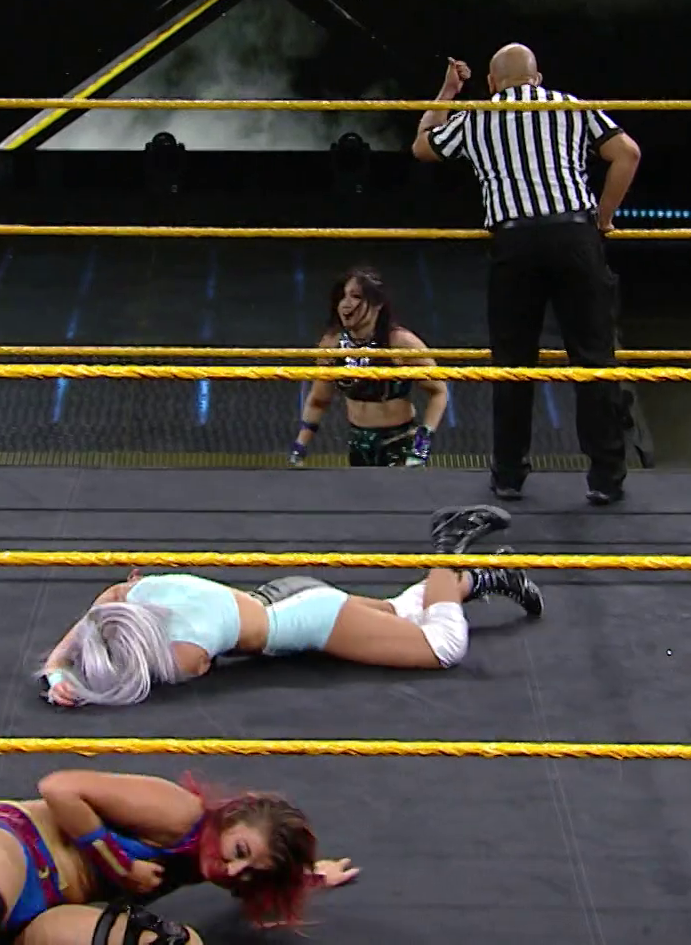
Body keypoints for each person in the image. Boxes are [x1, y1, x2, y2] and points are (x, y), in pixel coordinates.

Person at [412, 45, 642, 506]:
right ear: (536, 78)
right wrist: (603, 217)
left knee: (513, 362)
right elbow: (628, 154)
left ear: (492, 83)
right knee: (594, 359)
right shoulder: (569, 105)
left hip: (515, 241)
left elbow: (422, 146)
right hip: (574, 235)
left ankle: (509, 475)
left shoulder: (477, 116)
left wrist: (448, 92)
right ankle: (606, 478)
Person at [37, 506, 538, 708]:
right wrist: (56, 667)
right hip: (284, 594)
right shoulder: (134, 593)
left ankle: (448, 550)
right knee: (398, 615)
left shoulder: (184, 655)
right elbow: (93, 619)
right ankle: (486, 578)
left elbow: (136, 683)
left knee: (442, 647)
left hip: (304, 620)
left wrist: (78, 686)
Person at [0, 769, 360, 945]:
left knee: (176, 943)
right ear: (229, 818)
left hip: (41, 917)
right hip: (12, 849)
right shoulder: (179, 812)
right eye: (239, 852)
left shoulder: (223, 862)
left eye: (250, 873)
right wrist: (116, 863)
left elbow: (263, 872)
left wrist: (306, 876)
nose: (233, 870)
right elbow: (59, 788)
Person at [289, 267, 450, 467]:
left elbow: (439, 391)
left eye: (356, 296)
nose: (346, 304)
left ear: (377, 304)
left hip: (399, 442)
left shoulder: (401, 342)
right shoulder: (332, 345)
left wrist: (420, 446)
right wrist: (299, 447)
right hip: (359, 445)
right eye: (342, 297)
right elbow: (318, 400)